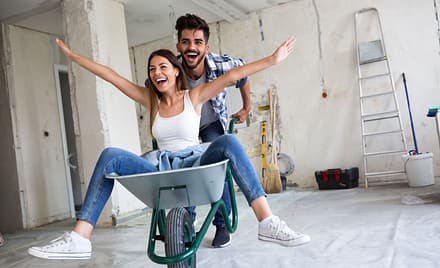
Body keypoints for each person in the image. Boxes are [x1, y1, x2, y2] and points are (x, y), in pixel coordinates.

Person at [28, 36, 310, 260]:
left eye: (163, 66)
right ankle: (80, 237)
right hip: (161, 168)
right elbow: (112, 77)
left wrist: (272, 60)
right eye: (152, 69)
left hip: (195, 165)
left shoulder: (195, 96)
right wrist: (75, 58)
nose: (156, 72)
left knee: (227, 141)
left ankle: (267, 221)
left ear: (176, 72)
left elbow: (233, 75)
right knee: (110, 156)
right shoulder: (150, 101)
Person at [173, 13, 251, 248]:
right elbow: (151, 85)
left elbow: (243, 74)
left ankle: (222, 224)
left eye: (197, 42)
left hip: (211, 124)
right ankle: (187, 221)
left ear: (206, 46)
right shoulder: (171, 69)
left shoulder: (220, 64)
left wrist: (246, 107)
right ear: (178, 46)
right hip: (183, 128)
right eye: (186, 42)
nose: (191, 47)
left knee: (217, 169)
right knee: (182, 169)